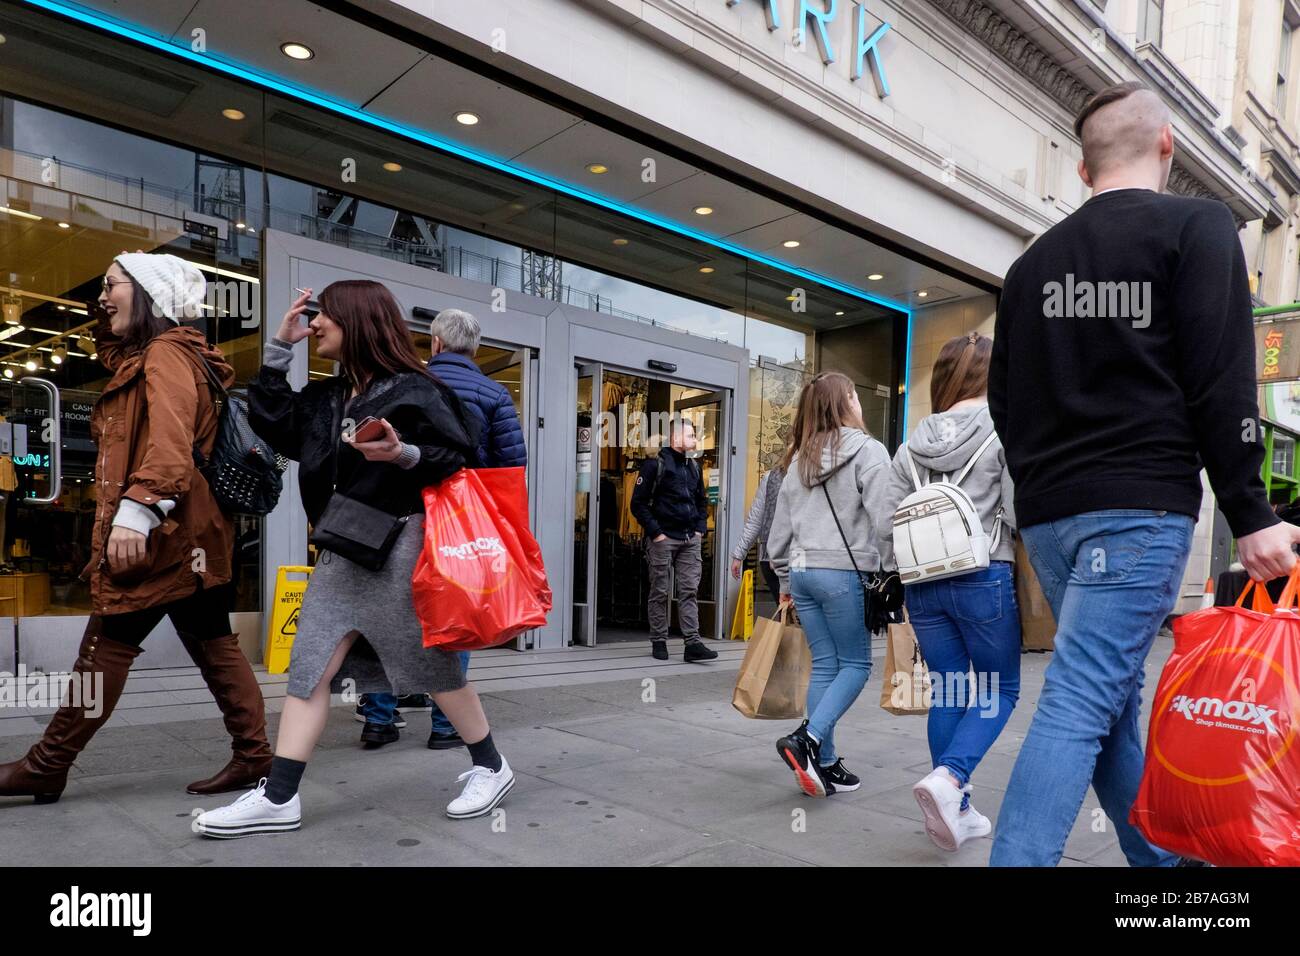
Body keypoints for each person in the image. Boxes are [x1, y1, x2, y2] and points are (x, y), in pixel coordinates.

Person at [987, 81, 1300, 866]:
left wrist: (1040, 485)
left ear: (1084, 166)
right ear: (1168, 145)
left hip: (1051, 518)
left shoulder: (1031, 267)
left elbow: (1005, 398)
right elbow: (1221, 377)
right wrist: (1252, 511)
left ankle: (1162, 870)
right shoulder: (1196, 226)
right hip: (1138, 509)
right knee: (1082, 697)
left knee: (1109, 702)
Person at [194, 281, 514, 837]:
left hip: (400, 547)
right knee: (309, 668)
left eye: (324, 316)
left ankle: (492, 766)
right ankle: (279, 796)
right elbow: (272, 423)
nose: (313, 324)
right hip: (343, 547)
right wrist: (277, 348)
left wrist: (403, 452)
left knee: (430, 670)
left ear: (358, 321)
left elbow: (456, 456)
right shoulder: (328, 397)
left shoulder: (416, 388)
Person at [0, 252, 271, 803]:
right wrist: (112, 314)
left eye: (112, 285)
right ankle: (255, 758)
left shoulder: (167, 356)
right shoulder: (160, 354)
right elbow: (114, 347)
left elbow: (169, 453)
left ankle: (48, 765)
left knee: (106, 647)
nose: (101, 297)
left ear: (149, 293)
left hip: (161, 539)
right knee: (215, 644)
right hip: (191, 537)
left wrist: (137, 515)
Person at [357, 308, 527, 750]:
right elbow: (511, 467)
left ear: (434, 343)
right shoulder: (494, 393)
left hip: (396, 515)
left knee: (387, 613)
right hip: (459, 520)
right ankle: (446, 726)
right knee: (456, 614)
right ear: (473, 348)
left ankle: (378, 718)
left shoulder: (405, 384)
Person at [878, 332, 1020, 851]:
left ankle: (957, 804)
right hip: (983, 577)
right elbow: (1020, 511)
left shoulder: (909, 447)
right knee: (1000, 689)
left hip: (923, 585)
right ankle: (950, 778)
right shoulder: (1003, 433)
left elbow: (883, 525)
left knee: (952, 689)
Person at [767, 372, 891, 797]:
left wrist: (784, 579)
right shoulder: (869, 452)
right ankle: (807, 739)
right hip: (844, 573)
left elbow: (777, 537)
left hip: (802, 575)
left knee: (825, 666)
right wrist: (892, 569)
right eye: (856, 395)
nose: (859, 403)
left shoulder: (797, 461)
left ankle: (825, 763)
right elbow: (886, 521)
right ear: (847, 402)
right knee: (857, 665)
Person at [630, 417, 719, 662]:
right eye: (691, 436)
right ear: (676, 438)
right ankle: (659, 640)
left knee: (689, 590)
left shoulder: (694, 467)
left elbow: (701, 501)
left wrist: (700, 527)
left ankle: (692, 643)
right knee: (659, 591)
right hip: (663, 538)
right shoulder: (654, 465)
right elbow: (637, 504)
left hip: (690, 538)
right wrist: (656, 532)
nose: (695, 440)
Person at [730, 462, 787, 605]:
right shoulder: (771, 477)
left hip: (794, 558)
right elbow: (755, 520)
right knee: (788, 611)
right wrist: (739, 554)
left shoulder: (810, 475)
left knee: (792, 611)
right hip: (774, 558)